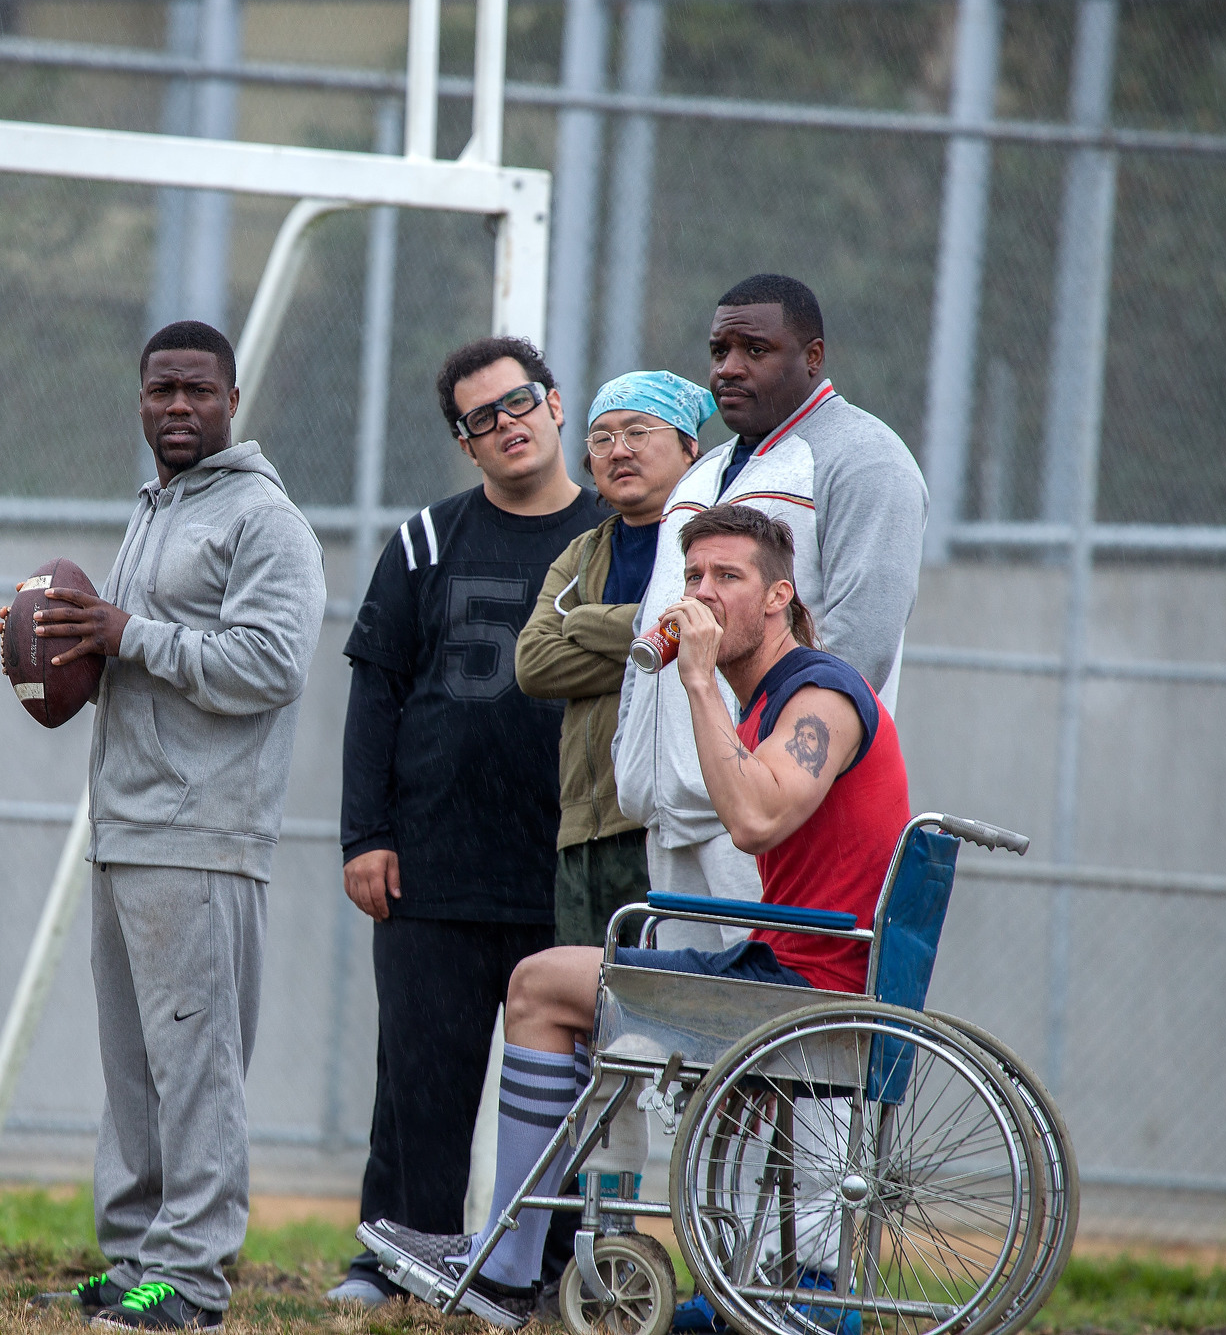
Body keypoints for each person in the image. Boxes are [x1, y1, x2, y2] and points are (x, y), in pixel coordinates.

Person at [364, 503, 913, 1319]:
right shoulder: (773, 696)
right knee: (569, 973)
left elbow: (755, 817)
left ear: (777, 598)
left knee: (541, 985)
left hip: (805, 984)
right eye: (692, 576)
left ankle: (506, 1266)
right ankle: (558, 1260)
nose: (702, 593)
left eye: (727, 577)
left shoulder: (820, 693)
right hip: (795, 967)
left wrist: (695, 677)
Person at [24, 320, 326, 1331]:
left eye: (198, 390)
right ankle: (137, 1260)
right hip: (127, 826)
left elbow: (273, 667)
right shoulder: (156, 507)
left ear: (231, 401)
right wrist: (68, 649)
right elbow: (142, 652)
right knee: (138, 1069)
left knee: (195, 1072)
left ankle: (190, 1283)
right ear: (141, 398)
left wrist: (126, 633)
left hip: (201, 836)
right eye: (161, 390)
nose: (178, 407)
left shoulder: (262, 518)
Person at [327, 336, 610, 1307]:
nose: (505, 424)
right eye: (479, 418)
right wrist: (364, 836)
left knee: (573, 1088)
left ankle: (548, 1269)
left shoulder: (620, 539)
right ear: (463, 442)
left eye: (517, 401)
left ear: (556, 403)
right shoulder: (425, 540)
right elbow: (375, 694)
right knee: (418, 1084)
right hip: (434, 864)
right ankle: (389, 1261)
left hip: (566, 869)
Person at [612, 275, 925, 949]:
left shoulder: (868, 459)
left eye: (754, 349)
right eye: (720, 348)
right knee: (672, 1041)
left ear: (812, 357)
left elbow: (855, 647)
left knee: (762, 1041)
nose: (728, 366)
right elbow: (655, 622)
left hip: (768, 818)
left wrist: (768, 771)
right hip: (675, 814)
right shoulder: (706, 471)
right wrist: (632, 756)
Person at [516, 371, 707, 949]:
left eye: (638, 432)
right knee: (582, 1014)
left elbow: (709, 636)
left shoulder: (709, 543)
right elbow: (532, 663)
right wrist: (652, 647)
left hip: (673, 824)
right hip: (582, 828)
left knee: (657, 1018)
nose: (618, 451)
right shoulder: (584, 550)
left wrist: (578, 620)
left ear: (688, 448)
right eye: (601, 438)